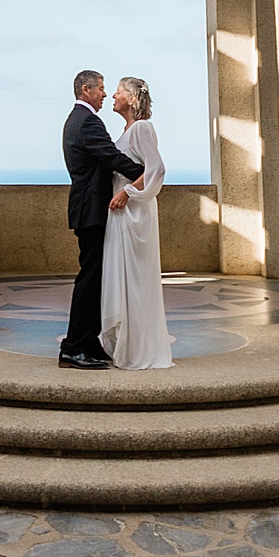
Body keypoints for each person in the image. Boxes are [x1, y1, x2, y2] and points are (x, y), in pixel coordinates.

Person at [58, 69, 143, 370]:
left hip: (88, 209)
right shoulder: (87, 121)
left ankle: (88, 342)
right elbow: (110, 156)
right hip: (91, 211)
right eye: (101, 89)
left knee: (95, 278)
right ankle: (73, 348)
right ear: (85, 90)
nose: (105, 94)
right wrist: (145, 175)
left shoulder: (76, 120)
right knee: (90, 280)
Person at [99, 77, 174, 370]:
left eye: (118, 92)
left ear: (131, 99)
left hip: (134, 211)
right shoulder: (126, 131)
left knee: (136, 279)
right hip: (121, 209)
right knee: (123, 275)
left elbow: (156, 168)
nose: (112, 96)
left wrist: (128, 193)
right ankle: (125, 343)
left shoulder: (142, 127)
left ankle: (139, 347)